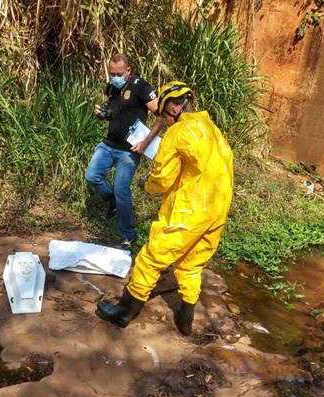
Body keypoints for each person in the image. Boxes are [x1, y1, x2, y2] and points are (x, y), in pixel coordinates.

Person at [96, 81, 234, 336]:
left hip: (189, 211)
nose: (164, 120)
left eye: (162, 114)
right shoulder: (212, 128)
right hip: (216, 210)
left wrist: (146, 184)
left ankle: (124, 312)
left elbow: (163, 178)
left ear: (172, 108)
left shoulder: (178, 133)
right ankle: (186, 319)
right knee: (191, 263)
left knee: (151, 257)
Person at [85, 53, 164, 250]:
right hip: (109, 144)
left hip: (129, 150)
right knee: (91, 175)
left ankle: (128, 235)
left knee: (122, 189)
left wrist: (146, 142)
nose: (115, 77)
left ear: (128, 70)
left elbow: (161, 116)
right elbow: (116, 112)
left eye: (119, 73)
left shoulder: (141, 86)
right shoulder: (111, 87)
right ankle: (113, 202)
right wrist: (104, 114)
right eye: (112, 73)